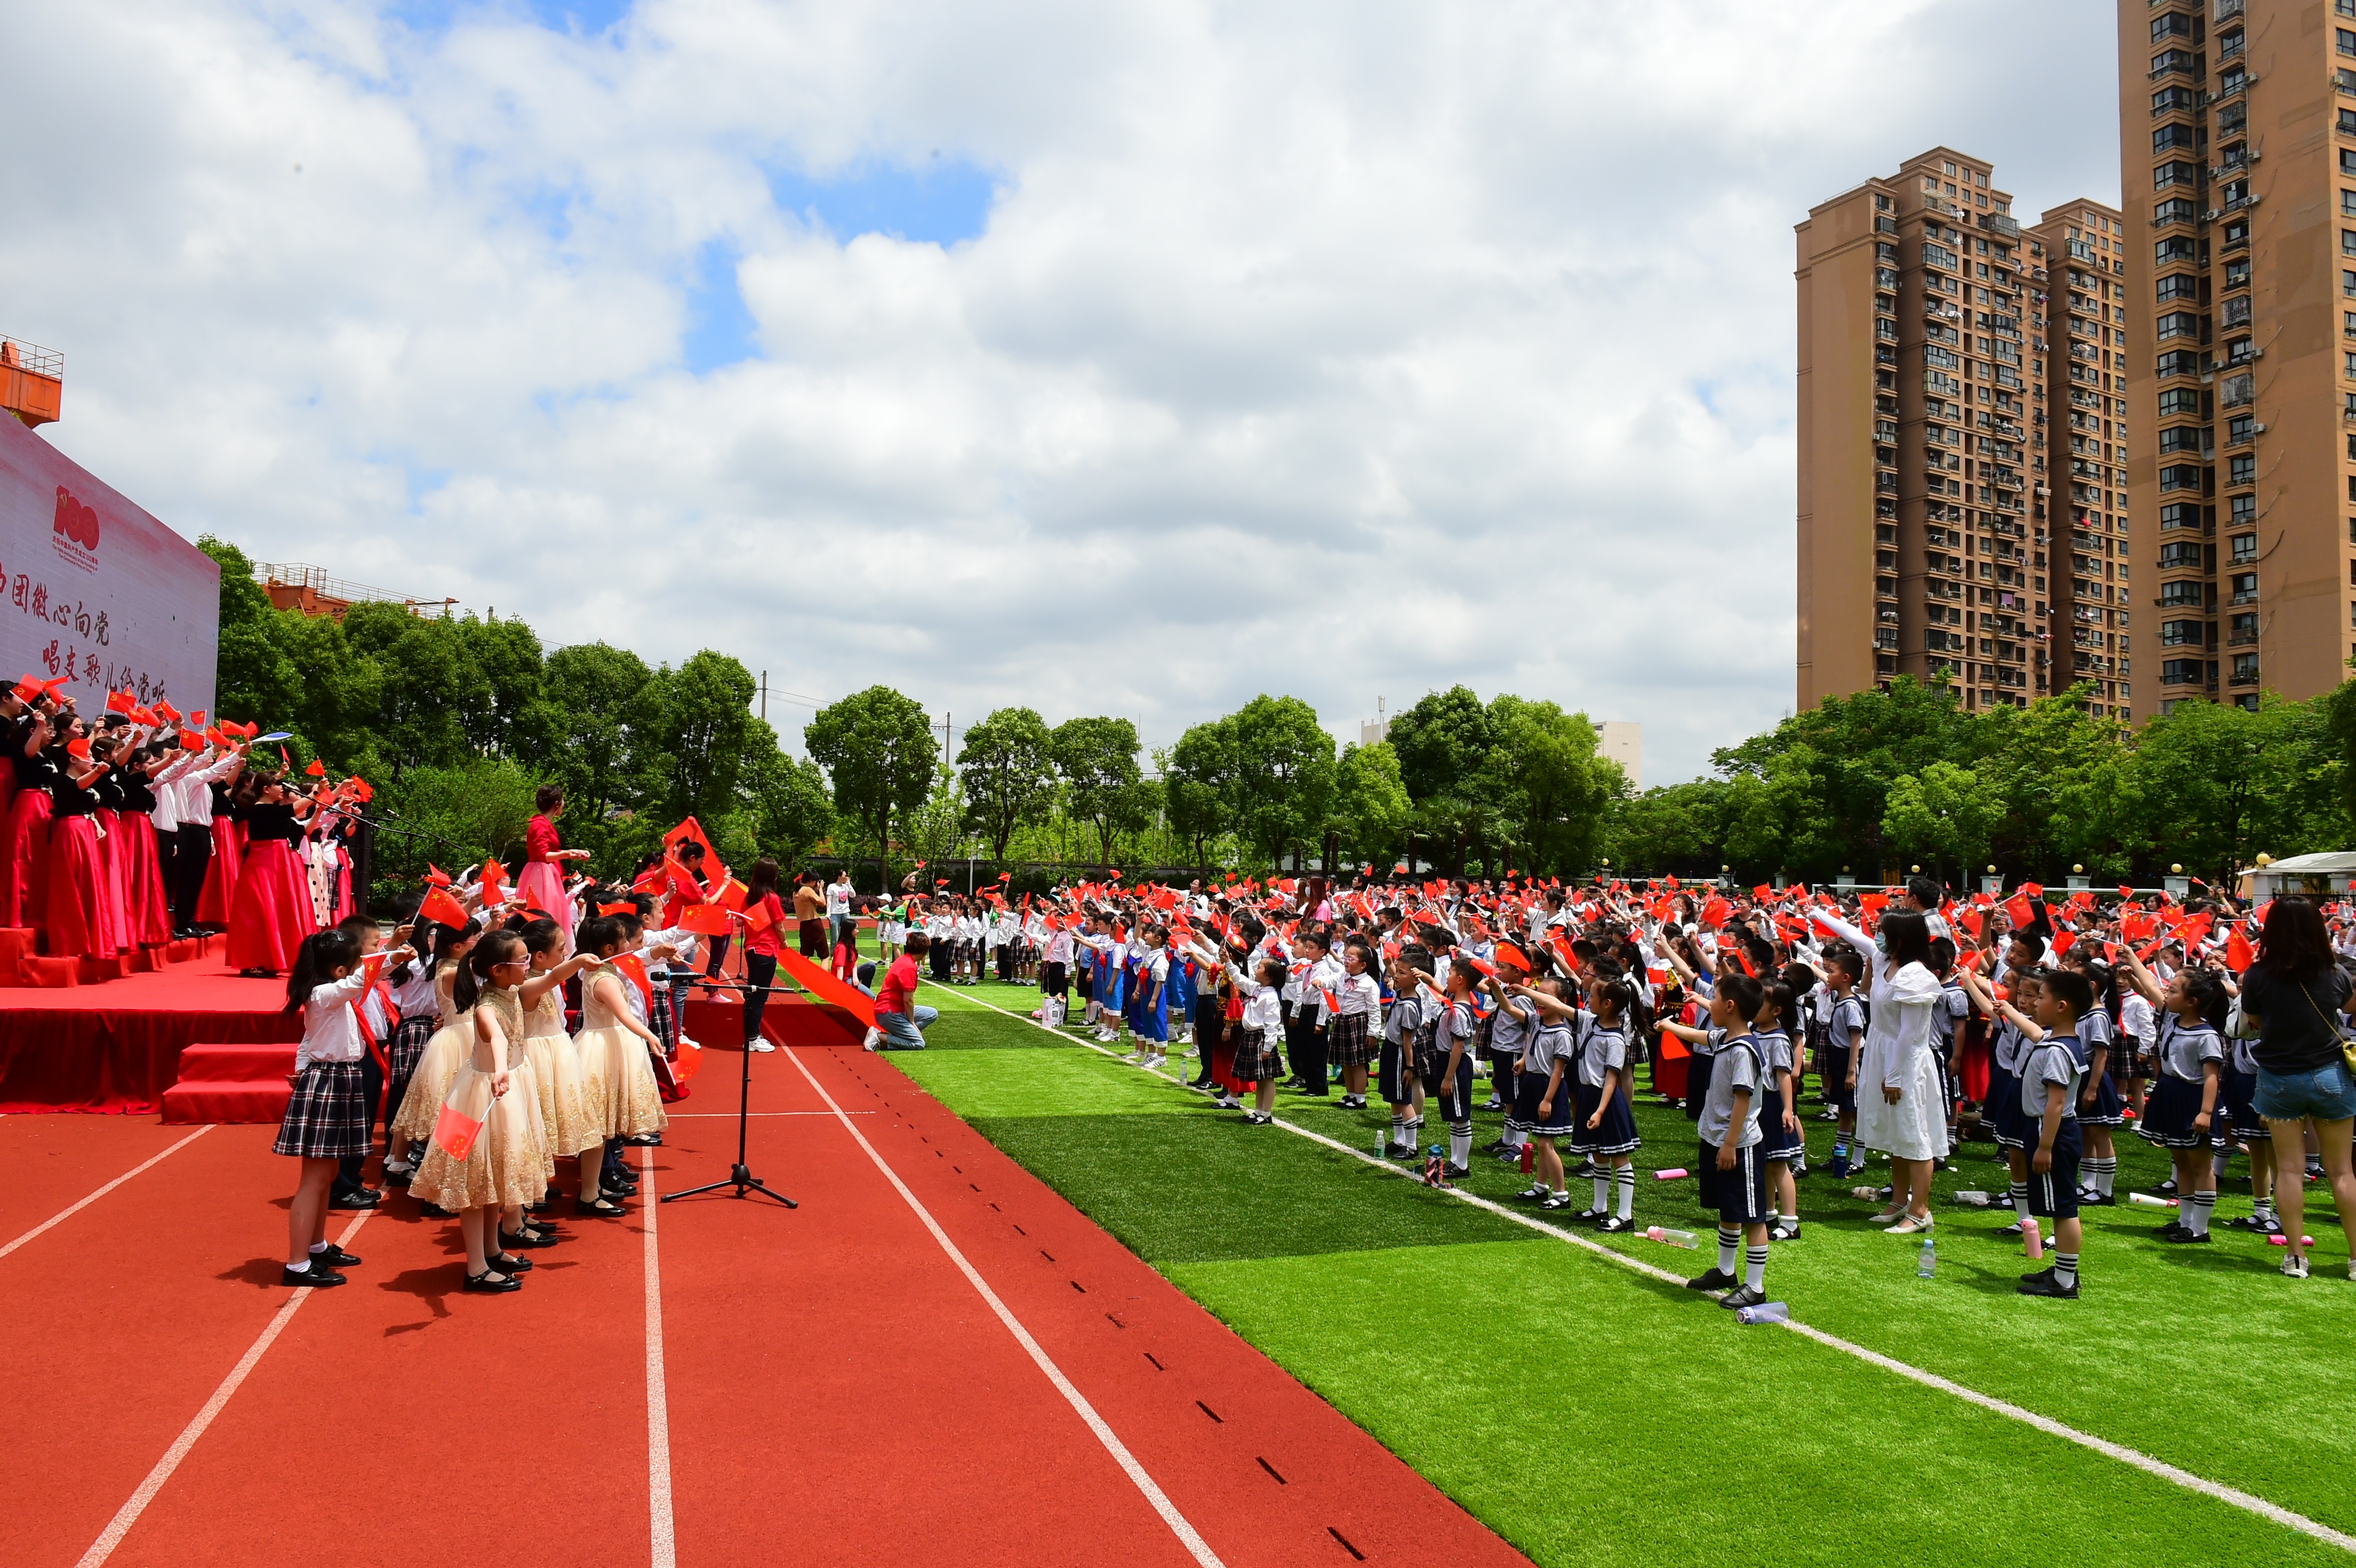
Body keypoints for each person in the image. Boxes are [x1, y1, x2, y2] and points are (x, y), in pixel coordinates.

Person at [274, 928, 413, 1288]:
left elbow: (362, 980)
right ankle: (297, 1263)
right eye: (353, 965)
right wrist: (391, 956)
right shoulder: (325, 994)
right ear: (339, 970)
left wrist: (392, 955)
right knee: (314, 1179)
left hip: (339, 1079)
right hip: (331, 1081)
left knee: (328, 1175)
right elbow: (358, 981)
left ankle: (316, 1247)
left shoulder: (329, 994)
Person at [407, 930, 544, 1293]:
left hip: (498, 1093)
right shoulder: (485, 1006)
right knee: (474, 1182)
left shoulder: (511, 992)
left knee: (494, 1176)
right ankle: (475, 1267)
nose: (529, 965)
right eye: (524, 960)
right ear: (499, 970)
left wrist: (577, 962)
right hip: (478, 1096)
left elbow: (550, 979)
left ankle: (492, 1249)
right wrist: (501, 1068)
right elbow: (496, 1037)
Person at [2232, 898, 2356, 1280]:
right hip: (2330, 1074)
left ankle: (2296, 1257)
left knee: (2288, 1170)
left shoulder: (2258, 975)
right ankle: (2355, 1259)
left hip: (2278, 1076)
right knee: (2342, 1172)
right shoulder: (2334, 972)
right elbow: (2350, 1007)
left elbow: (2252, 1022)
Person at [1811, 905, 1947, 1233]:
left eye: (1884, 931)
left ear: (1901, 939)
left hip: (1906, 1061)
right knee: (1895, 1133)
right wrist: (1819, 912)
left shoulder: (1916, 976)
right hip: (1883, 1051)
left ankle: (1919, 1210)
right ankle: (1899, 1201)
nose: (1878, 936)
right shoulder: (1885, 959)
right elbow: (1853, 935)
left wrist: (1896, 1074)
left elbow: (1910, 1033)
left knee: (1914, 1133)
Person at [1685, 972, 1772, 1311]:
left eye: (1716, 999)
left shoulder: (1743, 1050)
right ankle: (1725, 1270)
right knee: (1728, 1207)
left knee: (1752, 1215)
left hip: (1739, 1145)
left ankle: (1755, 1286)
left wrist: (1730, 1144)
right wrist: (1666, 1028)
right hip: (1717, 1138)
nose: (1712, 1004)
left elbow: (1743, 1099)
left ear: (1731, 1006)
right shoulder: (1725, 1038)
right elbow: (1701, 1033)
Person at [519, 785, 590, 947]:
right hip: (541, 873)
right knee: (547, 912)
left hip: (545, 871)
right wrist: (569, 853)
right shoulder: (540, 825)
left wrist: (574, 852)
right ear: (557, 804)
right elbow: (543, 855)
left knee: (552, 912)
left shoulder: (542, 824)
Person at [733, 858, 788, 1052]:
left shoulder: (750, 897)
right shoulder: (772, 898)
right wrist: (784, 942)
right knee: (759, 996)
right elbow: (779, 926)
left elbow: (739, 923)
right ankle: (753, 1038)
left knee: (752, 994)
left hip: (751, 949)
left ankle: (751, 1036)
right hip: (766, 950)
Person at [873, 930, 937, 1050]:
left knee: (932, 1013)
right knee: (919, 1044)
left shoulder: (904, 960)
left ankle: (904, 1033)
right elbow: (908, 1000)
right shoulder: (909, 967)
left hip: (889, 1009)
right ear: (924, 951)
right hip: (890, 1012)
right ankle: (880, 1038)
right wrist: (912, 1022)